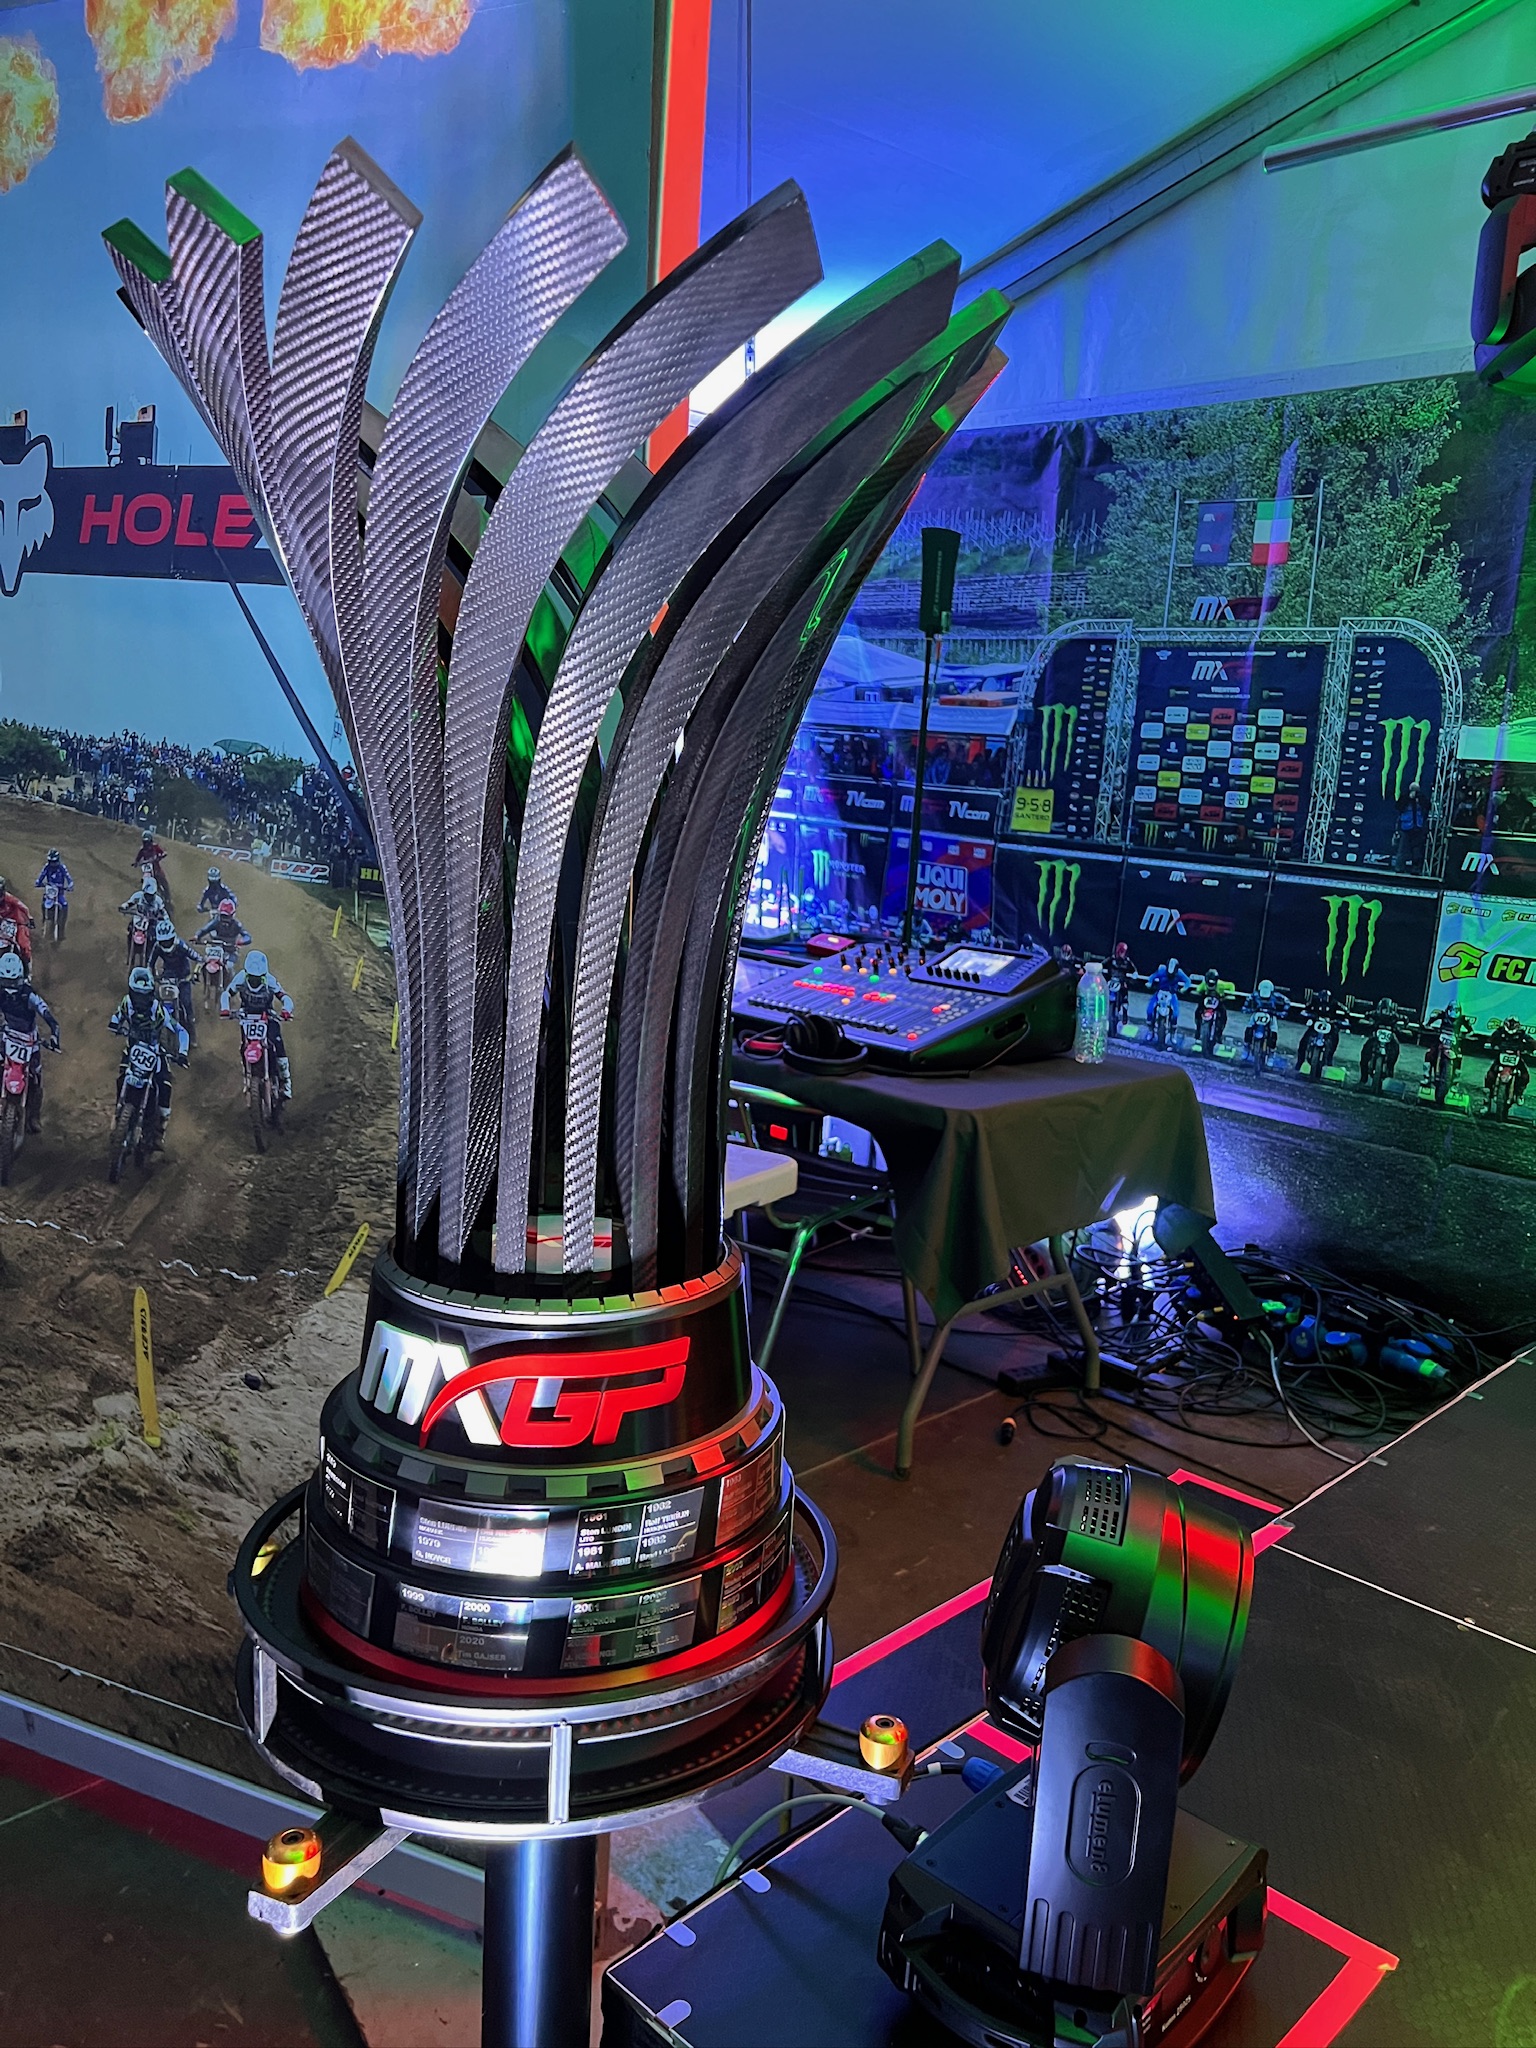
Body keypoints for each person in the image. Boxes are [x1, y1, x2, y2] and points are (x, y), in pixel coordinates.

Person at [108, 965, 188, 1144]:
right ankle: (118, 1111)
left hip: (155, 1052)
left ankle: (161, 1129)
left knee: (165, 1085)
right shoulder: (127, 1003)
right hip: (133, 1049)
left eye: (144, 996)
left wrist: (182, 1053)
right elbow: (117, 1016)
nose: (141, 1001)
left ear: (151, 994)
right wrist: (114, 1024)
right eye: (137, 995)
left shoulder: (158, 1011)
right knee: (121, 1077)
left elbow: (181, 1031)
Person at [221, 949, 293, 1098]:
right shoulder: (240, 978)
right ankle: (247, 1075)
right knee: (244, 1046)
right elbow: (227, 993)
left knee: (277, 1044)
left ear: (264, 975)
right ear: (247, 974)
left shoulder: (270, 981)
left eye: (258, 978)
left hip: (267, 1016)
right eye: (252, 977)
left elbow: (284, 996)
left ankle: (286, 1082)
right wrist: (225, 1008)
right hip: (247, 1016)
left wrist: (286, 1009)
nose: (254, 981)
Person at [0, 953, 59, 1133]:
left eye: (13, 982)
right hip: (8, 1035)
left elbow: (46, 1012)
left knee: (36, 1076)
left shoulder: (28, 995)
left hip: (29, 1039)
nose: (10, 988)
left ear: (20, 978)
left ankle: (34, 1116)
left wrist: (55, 1034)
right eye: (6, 982)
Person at [149, 918, 201, 1039]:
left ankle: (192, 1033)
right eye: (163, 941)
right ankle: (153, 1032)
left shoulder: (181, 946)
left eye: (168, 941)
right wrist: (152, 977)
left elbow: (199, 958)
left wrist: (195, 973)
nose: (166, 944)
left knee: (186, 1002)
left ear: (173, 937)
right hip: (167, 975)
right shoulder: (157, 946)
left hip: (183, 976)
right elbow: (150, 963)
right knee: (155, 1000)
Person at [1484, 1015, 1533, 1107]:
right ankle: (1488, 1093)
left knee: (1525, 1076)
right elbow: (1491, 1039)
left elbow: (1531, 1041)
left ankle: (1519, 1094)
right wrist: (1489, 1044)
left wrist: (1533, 1049)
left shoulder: (1522, 1034)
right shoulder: (1500, 1032)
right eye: (1509, 1024)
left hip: (1516, 1058)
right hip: (1501, 1057)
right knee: (1490, 1075)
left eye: (1513, 1025)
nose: (1511, 1027)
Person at [1144, 956, 1191, 1026]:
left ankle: (1173, 1025)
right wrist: (1149, 983)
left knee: (1175, 1014)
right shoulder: (1161, 970)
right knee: (1149, 1010)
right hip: (1160, 992)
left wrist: (1184, 988)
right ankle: (1149, 1022)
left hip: (1172, 994)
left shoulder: (1179, 973)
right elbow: (1152, 976)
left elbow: (1188, 981)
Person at [0, 877, 35, 968]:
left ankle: (27, 967)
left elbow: (22, 906)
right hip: (2, 924)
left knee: (23, 943)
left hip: (17, 923)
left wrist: (29, 917)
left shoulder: (9, 898)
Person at [1393, 783, 1428, 873]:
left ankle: (1415, 868)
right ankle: (1399, 867)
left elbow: (1428, 806)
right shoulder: (1404, 797)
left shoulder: (1421, 798)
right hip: (1406, 826)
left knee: (1416, 850)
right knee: (1402, 848)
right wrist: (1408, 798)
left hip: (1417, 827)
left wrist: (1419, 798)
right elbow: (1398, 807)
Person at [135, 828, 171, 910]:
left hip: (156, 868)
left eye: (148, 842)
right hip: (148, 870)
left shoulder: (155, 847)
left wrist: (162, 855)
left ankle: (168, 897)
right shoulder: (142, 850)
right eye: (145, 842)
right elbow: (138, 859)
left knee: (163, 881)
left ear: (151, 841)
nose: (146, 844)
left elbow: (163, 852)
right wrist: (136, 863)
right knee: (145, 880)